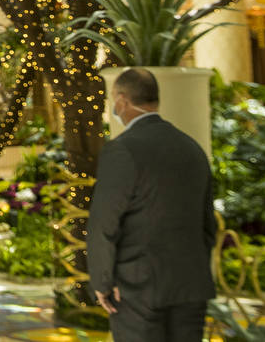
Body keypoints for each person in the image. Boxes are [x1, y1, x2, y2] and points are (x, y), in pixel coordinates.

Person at [87, 67, 217, 341]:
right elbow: (207, 224)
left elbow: (103, 224)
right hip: (190, 285)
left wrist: (102, 282)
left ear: (121, 101)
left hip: (137, 288)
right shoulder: (192, 148)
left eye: (114, 100)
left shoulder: (121, 150)